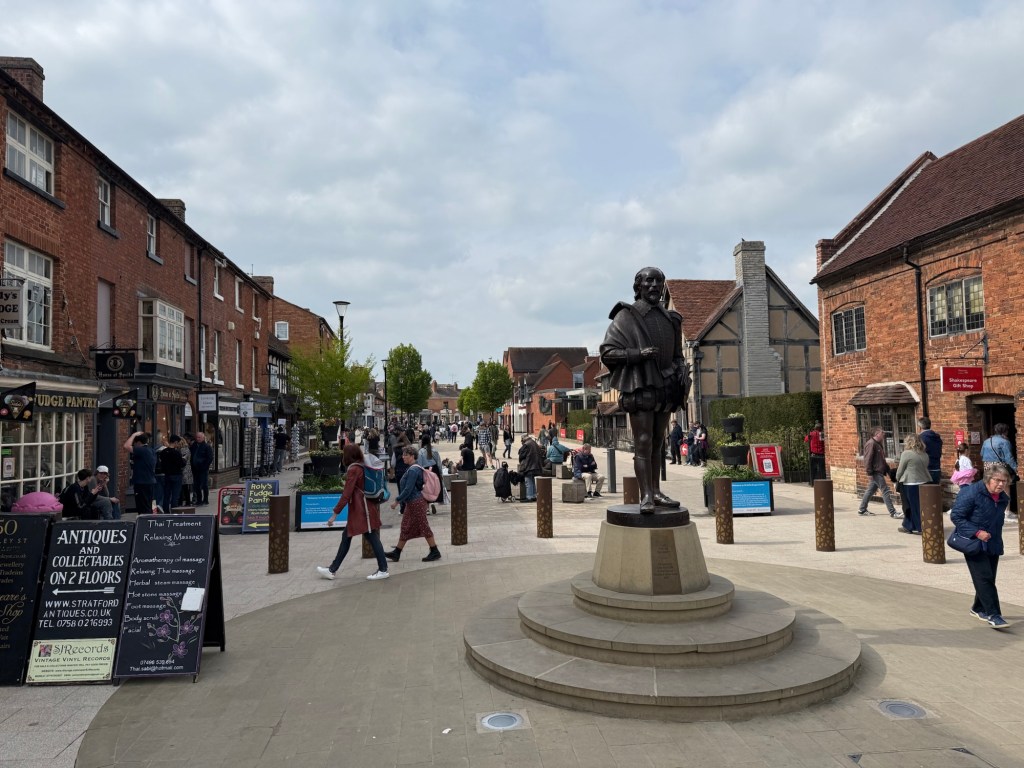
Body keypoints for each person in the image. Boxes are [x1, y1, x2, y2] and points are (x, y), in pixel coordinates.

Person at [599, 266, 690, 512]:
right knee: (643, 441)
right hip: (640, 385)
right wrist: (637, 354)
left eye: (659, 282)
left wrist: (681, 369)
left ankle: (656, 491)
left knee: (658, 442)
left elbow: (677, 355)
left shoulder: (672, 319)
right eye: (649, 281)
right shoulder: (626, 316)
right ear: (638, 286)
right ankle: (646, 495)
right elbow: (607, 352)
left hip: (666, 387)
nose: (654, 286)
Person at [950, 463, 1012, 628]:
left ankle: (978, 608)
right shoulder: (971, 493)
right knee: (984, 578)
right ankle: (994, 614)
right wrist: (977, 532)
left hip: (993, 542)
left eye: (1004, 481)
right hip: (974, 542)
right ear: (988, 479)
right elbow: (956, 516)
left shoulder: (1003, 498)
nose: (1001, 484)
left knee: (988, 578)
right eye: (997, 480)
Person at [316, 444, 389, 581]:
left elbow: (346, 494)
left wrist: (334, 514)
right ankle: (332, 569)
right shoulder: (361, 465)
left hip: (362, 510)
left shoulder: (354, 469)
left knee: (371, 538)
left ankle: (383, 569)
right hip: (364, 509)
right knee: (348, 537)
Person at [386, 446, 442, 563]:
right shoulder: (413, 468)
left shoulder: (413, 470)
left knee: (423, 526)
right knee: (405, 526)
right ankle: (397, 552)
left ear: (412, 456)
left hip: (416, 502)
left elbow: (408, 489)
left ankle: (434, 550)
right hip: (412, 503)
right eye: (403, 455)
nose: (403, 457)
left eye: (405, 455)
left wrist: (397, 501)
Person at [858, 427, 897, 517]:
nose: (884, 434)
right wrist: (869, 473)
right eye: (882, 432)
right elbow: (867, 459)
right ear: (877, 434)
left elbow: (881, 460)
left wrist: (888, 470)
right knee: (885, 490)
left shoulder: (878, 444)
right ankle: (893, 512)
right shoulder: (871, 444)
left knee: (871, 490)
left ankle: (862, 509)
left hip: (878, 471)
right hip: (875, 472)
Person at [895, 434, 930, 534]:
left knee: (910, 506)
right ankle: (909, 525)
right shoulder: (924, 454)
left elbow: (900, 469)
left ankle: (916, 527)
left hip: (910, 483)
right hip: (923, 481)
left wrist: (897, 478)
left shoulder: (906, 454)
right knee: (919, 505)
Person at [124, 431, 156, 514]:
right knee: (150, 504)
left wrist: (133, 435)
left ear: (138, 442)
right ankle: (152, 518)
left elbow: (126, 446)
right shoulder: (151, 450)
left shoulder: (141, 450)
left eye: (134, 443)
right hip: (150, 481)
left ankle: (144, 520)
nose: (134, 445)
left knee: (142, 506)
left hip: (142, 482)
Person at [158, 435, 186, 513]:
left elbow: (161, 463)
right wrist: (184, 460)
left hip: (167, 475)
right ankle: (174, 511)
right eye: (178, 443)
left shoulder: (163, 452)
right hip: (176, 475)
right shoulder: (176, 453)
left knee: (166, 495)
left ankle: (166, 511)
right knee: (175, 495)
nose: (178, 445)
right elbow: (181, 464)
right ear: (175, 442)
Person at [417, 435, 445, 512]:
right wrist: (441, 473)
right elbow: (439, 462)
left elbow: (419, 464)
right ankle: (433, 502)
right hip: (435, 469)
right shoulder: (434, 450)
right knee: (434, 486)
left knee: (426, 488)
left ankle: (427, 508)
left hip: (425, 471)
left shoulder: (421, 451)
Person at [518, 434, 544, 502]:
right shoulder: (533, 442)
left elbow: (521, 454)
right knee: (532, 480)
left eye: (522, 440)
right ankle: (534, 495)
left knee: (528, 481)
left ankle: (529, 496)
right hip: (535, 465)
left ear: (523, 439)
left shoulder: (526, 444)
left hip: (529, 465)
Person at [190, 431, 214, 506]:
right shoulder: (193, 446)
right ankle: (199, 500)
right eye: (197, 437)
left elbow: (210, 458)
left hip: (203, 469)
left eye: (199, 437)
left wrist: (205, 466)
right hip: (195, 469)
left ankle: (205, 499)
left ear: (203, 438)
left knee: (204, 484)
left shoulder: (206, 446)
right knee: (196, 485)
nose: (198, 439)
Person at [917, 416, 943, 485]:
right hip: (937, 469)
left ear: (920, 427)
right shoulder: (937, 438)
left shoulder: (920, 439)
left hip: (925, 470)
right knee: (934, 491)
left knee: (925, 491)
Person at [805, 421, 826, 485]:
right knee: (822, 469)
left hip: (813, 454)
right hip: (821, 454)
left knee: (813, 469)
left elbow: (806, 440)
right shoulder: (822, 434)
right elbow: (824, 442)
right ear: (820, 428)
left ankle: (812, 482)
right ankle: (823, 482)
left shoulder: (811, 434)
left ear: (815, 428)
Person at [179, 434, 193, 506]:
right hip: (187, 470)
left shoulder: (183, 449)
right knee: (185, 487)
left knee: (184, 487)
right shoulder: (186, 449)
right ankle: (186, 501)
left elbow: (183, 460)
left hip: (184, 470)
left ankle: (186, 502)